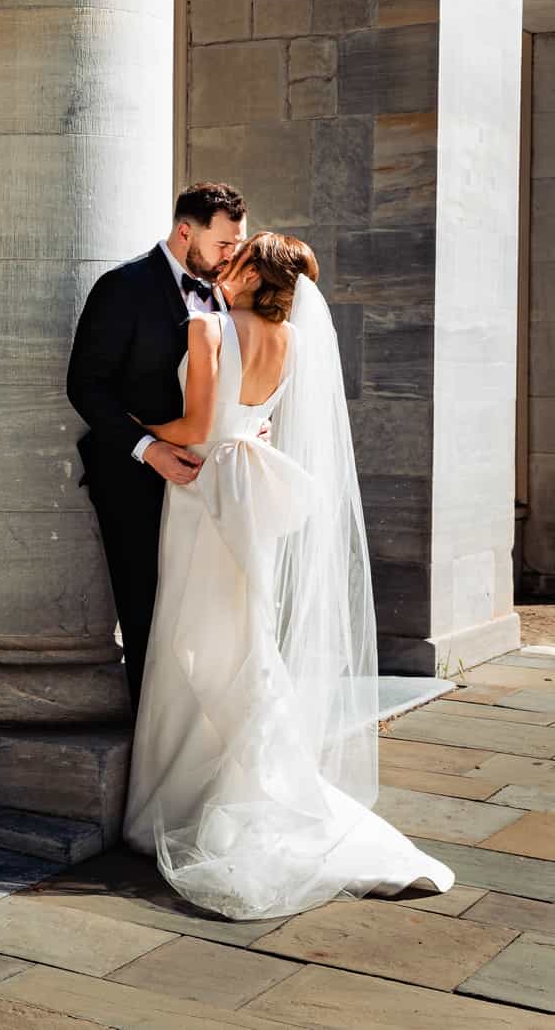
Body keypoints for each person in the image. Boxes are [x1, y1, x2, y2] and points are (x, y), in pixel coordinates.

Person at [121, 232, 452, 918]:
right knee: (246, 635)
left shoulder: (210, 326)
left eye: (235, 254)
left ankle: (187, 798)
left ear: (246, 269)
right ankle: (252, 777)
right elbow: (249, 419)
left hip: (203, 492)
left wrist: (134, 422)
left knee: (194, 636)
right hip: (252, 496)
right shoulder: (294, 341)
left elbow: (196, 424)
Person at [67, 183, 247, 714]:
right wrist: (147, 448)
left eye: (237, 245)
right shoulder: (122, 288)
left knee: (205, 612)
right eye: (223, 245)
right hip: (133, 480)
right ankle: (153, 742)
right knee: (147, 615)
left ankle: (196, 728)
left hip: (205, 482)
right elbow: (85, 386)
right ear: (185, 231)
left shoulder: (223, 290)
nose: (231, 256)